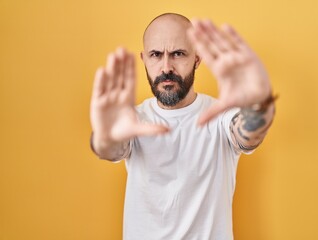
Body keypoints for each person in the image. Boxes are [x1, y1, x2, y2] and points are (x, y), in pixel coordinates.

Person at [90, 12, 276, 240]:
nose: (166, 67)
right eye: (156, 55)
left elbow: (249, 134)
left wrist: (260, 103)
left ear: (197, 59)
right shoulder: (134, 121)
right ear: (144, 59)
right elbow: (109, 148)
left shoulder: (222, 118)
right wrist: (104, 136)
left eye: (178, 54)